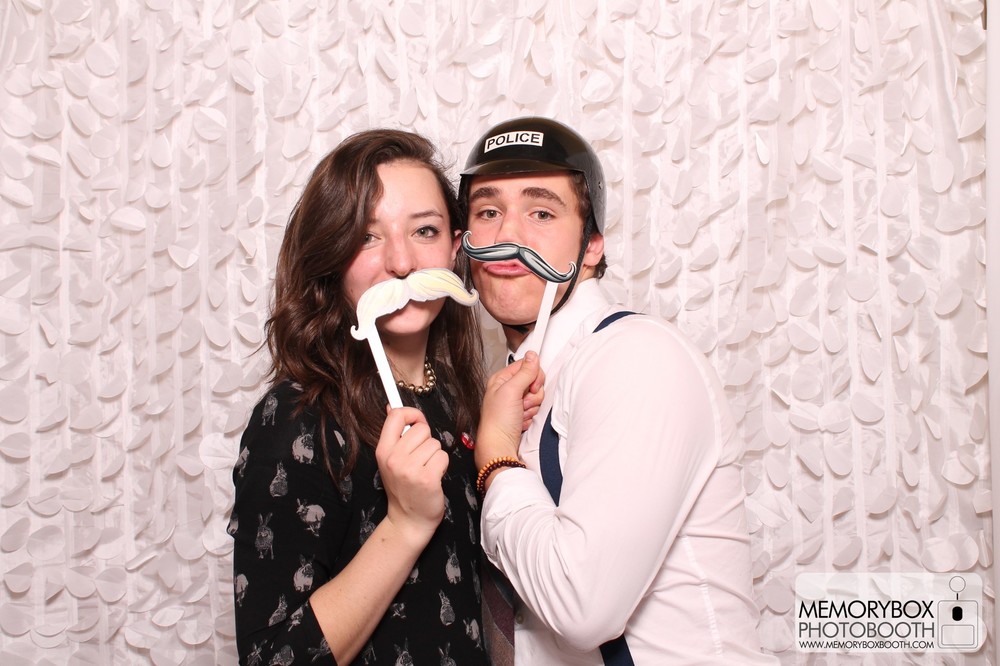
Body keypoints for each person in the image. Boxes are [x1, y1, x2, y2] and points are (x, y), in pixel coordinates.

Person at [461, 117, 776, 664]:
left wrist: (496, 461)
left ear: (591, 247)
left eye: (541, 212)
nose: (508, 233)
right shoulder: (511, 385)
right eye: (488, 212)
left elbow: (584, 606)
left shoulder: (636, 357)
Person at [229, 129, 494, 665]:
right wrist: (404, 524)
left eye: (424, 230)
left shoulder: (456, 396)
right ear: (331, 259)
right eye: (368, 236)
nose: (402, 262)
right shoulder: (297, 417)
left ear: (454, 249)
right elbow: (271, 658)